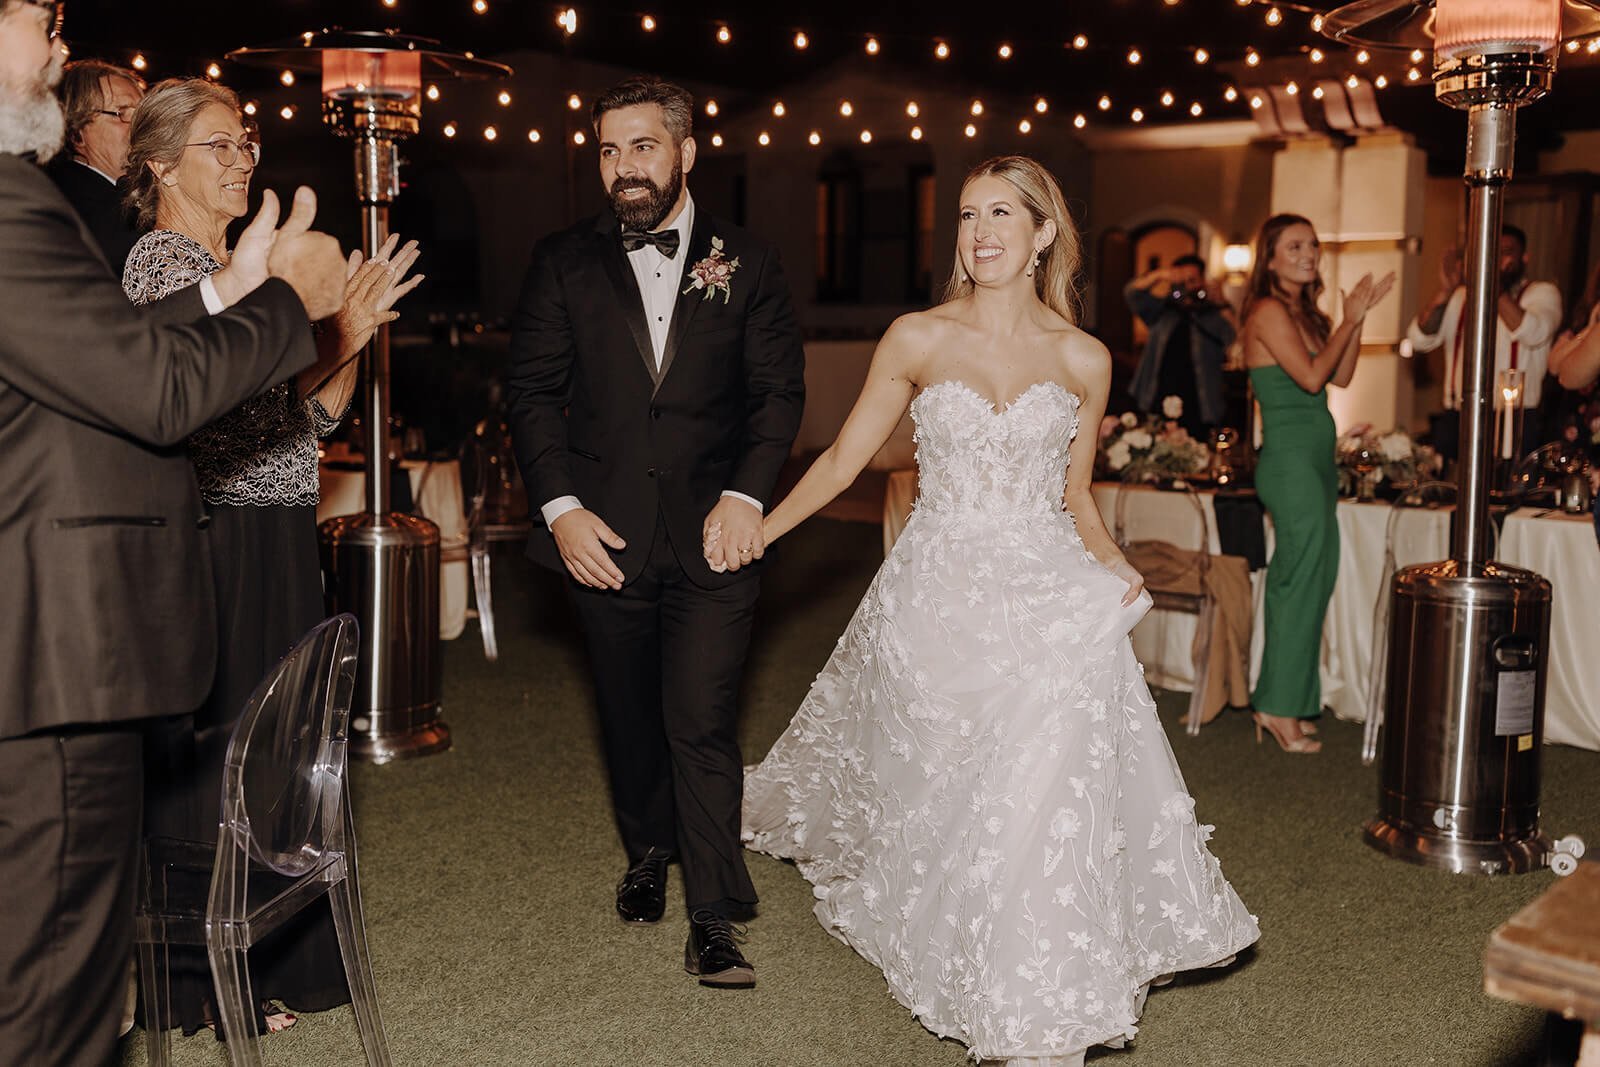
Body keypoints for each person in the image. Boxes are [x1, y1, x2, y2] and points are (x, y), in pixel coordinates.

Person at [741, 156, 1259, 1067]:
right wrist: (762, 530)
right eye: (969, 215)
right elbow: (839, 461)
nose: (980, 232)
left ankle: (1036, 998)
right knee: (958, 797)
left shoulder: (1084, 357)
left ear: (1043, 234)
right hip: (937, 591)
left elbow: (1079, 496)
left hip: (1046, 582)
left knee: (1051, 753)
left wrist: (1114, 563)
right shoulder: (916, 337)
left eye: (1002, 215)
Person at [0, 1, 350, 1063]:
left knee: (58, 954)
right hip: (56, 630)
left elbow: (104, 357)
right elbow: (154, 393)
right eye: (39, 21)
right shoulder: (11, 200)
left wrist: (244, 285)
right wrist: (287, 302)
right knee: (52, 986)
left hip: (80, 618)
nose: (63, 49)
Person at [119, 76, 422, 1037]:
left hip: (279, 528)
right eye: (220, 145)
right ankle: (205, 979)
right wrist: (306, 313)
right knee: (219, 756)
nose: (242, 159)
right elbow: (201, 406)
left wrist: (353, 339)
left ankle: (280, 955)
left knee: (279, 758)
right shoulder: (165, 266)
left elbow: (298, 424)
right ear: (160, 164)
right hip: (214, 541)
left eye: (246, 142)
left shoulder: (229, 264)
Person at [506, 75, 805, 989]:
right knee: (630, 713)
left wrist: (748, 497)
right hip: (605, 534)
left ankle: (713, 914)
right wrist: (561, 512)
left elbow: (777, 397)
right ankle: (646, 846)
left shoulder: (747, 261)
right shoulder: (563, 260)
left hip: (717, 535)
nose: (624, 167)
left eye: (641, 146)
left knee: (702, 719)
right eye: (607, 149)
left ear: (685, 150)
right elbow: (531, 395)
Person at [1240, 214, 1393, 753]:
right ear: (1271, 258)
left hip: (1316, 460)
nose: (1309, 253)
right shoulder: (1265, 311)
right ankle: (1276, 705)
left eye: (1313, 245)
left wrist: (1357, 319)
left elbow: (1342, 375)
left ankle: (1292, 702)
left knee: (1315, 577)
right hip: (1289, 462)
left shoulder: (1307, 314)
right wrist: (1348, 321)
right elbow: (1309, 378)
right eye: (1295, 245)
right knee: (1297, 580)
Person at [1406, 225, 1562, 462]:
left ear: (1525, 258)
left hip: (1516, 420)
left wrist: (1491, 284)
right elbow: (1419, 337)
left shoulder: (1542, 294)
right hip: (1458, 418)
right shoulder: (1460, 297)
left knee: (1507, 494)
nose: (1496, 259)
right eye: (1491, 251)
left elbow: (1534, 332)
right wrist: (1445, 292)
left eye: (1506, 251)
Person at [1123, 253, 1236, 437]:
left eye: (1192, 280)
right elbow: (1132, 293)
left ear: (1202, 280)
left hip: (1200, 403)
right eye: (1181, 280)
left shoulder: (1213, 314)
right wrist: (1159, 275)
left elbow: (1235, 339)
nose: (1186, 286)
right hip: (1157, 397)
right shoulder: (1161, 311)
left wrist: (1221, 303)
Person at [47, 57, 143, 273]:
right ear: (76, 130)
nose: (140, 128)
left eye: (142, 116)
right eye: (122, 113)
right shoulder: (89, 210)